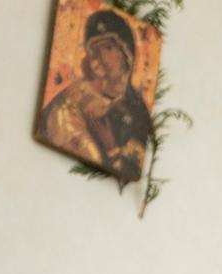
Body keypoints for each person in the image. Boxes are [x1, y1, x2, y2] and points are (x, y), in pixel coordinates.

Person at [38, 10, 151, 183]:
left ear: (125, 54)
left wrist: (112, 148)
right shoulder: (76, 96)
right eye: (95, 49)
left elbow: (131, 175)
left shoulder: (137, 111)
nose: (98, 56)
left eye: (107, 48)